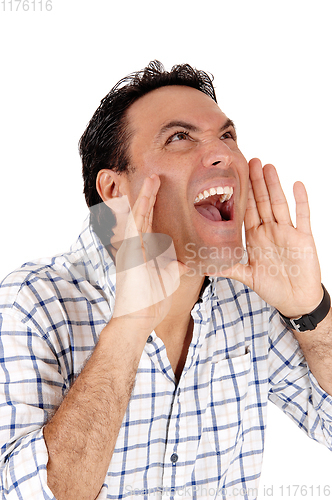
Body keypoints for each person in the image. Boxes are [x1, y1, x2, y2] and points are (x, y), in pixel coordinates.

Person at [0, 60, 331, 500]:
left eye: (227, 136)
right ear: (115, 191)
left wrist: (311, 311)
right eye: (179, 137)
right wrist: (129, 327)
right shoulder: (34, 302)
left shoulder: (247, 301)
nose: (224, 155)